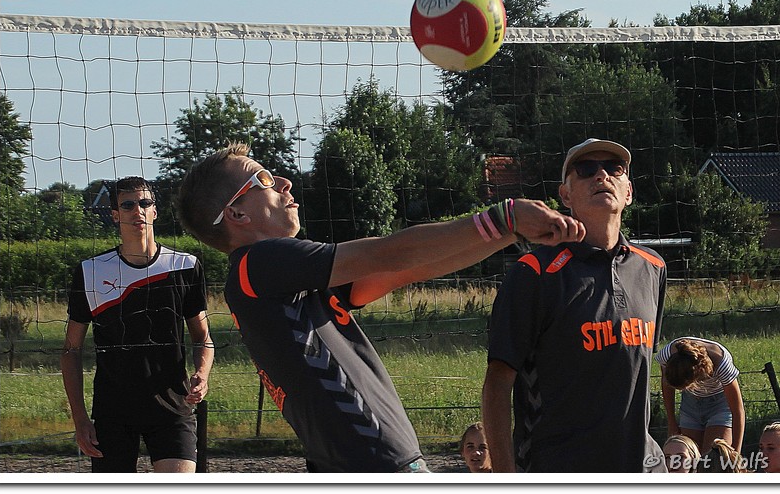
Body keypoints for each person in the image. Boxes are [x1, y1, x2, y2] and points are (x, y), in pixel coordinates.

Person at [175, 142, 585, 473]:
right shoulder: (258, 264)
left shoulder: (279, 286)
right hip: (377, 466)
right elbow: (389, 252)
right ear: (236, 213)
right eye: (264, 178)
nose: (284, 182)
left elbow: (409, 267)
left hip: (369, 464)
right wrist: (503, 216)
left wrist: (508, 232)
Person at [482, 138, 667, 473]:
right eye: (585, 169)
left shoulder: (652, 267)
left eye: (614, 168)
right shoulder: (533, 272)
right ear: (565, 195)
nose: (601, 175)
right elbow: (497, 382)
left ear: (628, 191)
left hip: (641, 467)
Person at [61, 177, 214, 472]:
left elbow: (203, 337)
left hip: (173, 406)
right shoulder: (91, 271)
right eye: (128, 205)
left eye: (145, 203)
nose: (138, 211)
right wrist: (80, 418)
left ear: (155, 210)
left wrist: (202, 374)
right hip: (113, 411)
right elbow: (70, 350)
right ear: (115, 215)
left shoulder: (184, 266)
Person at [656, 337, 746, 453]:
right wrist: (672, 423)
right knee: (689, 457)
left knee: (715, 457)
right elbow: (667, 385)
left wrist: (735, 453)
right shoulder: (667, 355)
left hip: (719, 405)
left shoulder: (722, 363)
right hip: (690, 404)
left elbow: (738, 410)